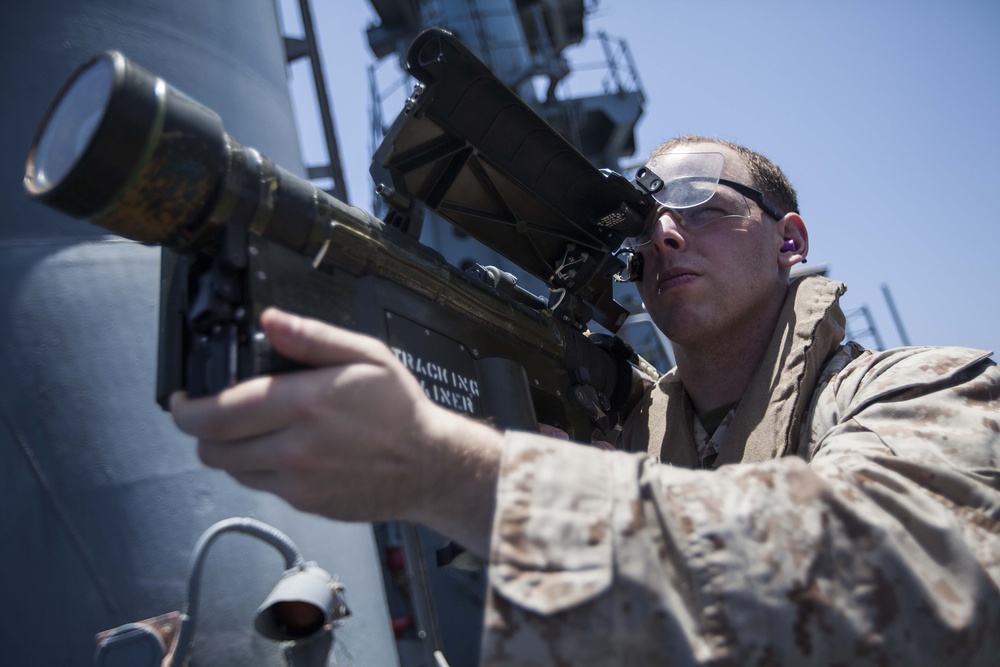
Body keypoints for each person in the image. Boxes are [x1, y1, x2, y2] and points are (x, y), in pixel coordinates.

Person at [171, 136, 1000, 665]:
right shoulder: (631, 442)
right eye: (642, 227)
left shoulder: (928, 388)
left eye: (702, 207)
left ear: (789, 240)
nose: (663, 236)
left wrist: (462, 474)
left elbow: (893, 579)